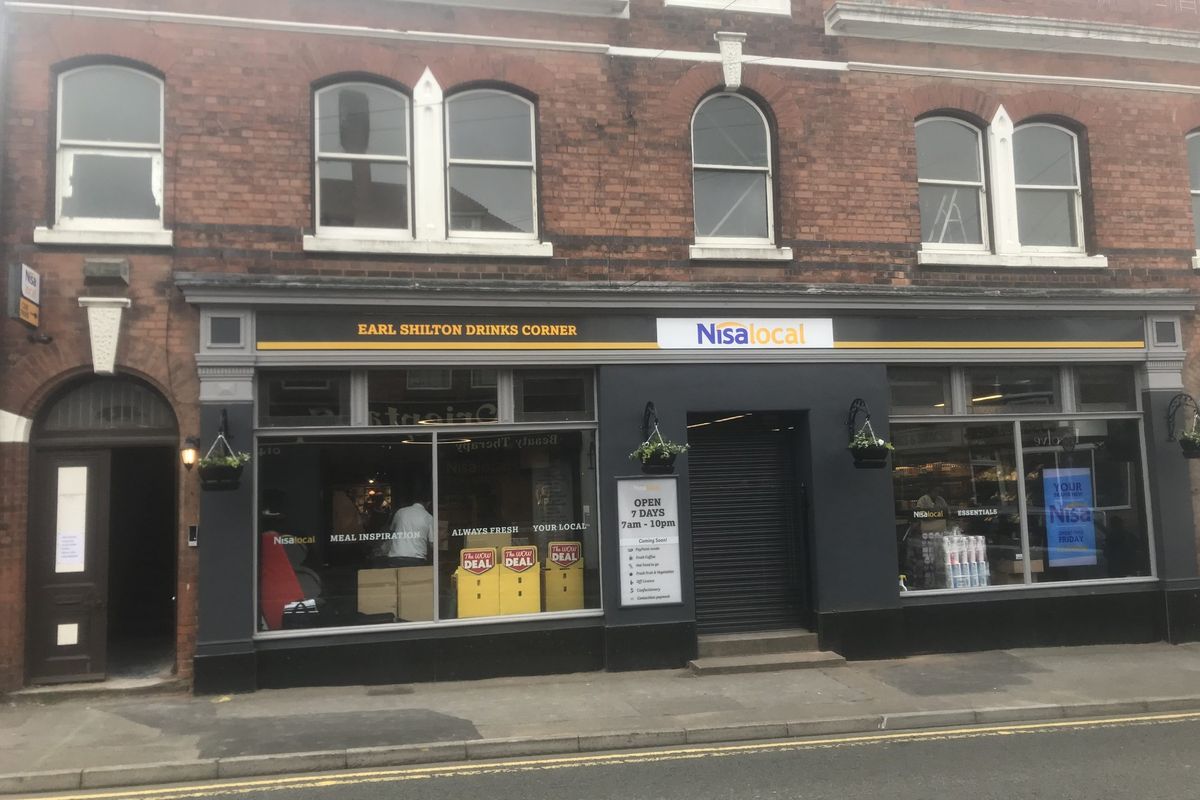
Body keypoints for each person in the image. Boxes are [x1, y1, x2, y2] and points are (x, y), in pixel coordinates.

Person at [385, 488, 434, 566]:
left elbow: (391, 532)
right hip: (416, 559)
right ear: (428, 503)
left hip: (395, 557)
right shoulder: (428, 517)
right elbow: (432, 544)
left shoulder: (400, 512)